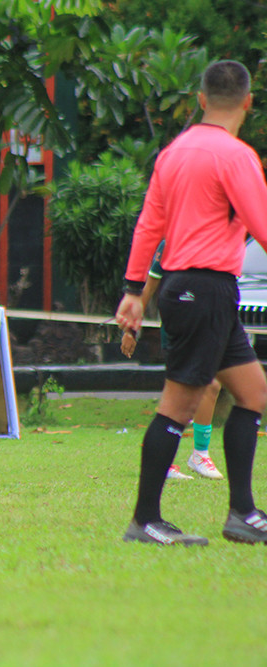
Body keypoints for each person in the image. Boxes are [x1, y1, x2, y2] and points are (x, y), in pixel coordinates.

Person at [116, 60, 267, 546]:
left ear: (202, 100)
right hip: (206, 289)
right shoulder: (238, 156)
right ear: (247, 101)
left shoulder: (173, 153)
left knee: (254, 393)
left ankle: (242, 513)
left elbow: (148, 226)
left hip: (189, 288)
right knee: (178, 406)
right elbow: (261, 225)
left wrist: (134, 291)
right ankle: (145, 520)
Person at [121, 240, 224, 480]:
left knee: (211, 387)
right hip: (179, 326)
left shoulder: (213, 237)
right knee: (182, 395)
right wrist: (131, 330)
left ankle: (199, 454)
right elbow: (149, 287)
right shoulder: (171, 240)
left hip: (206, 324)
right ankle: (164, 461)